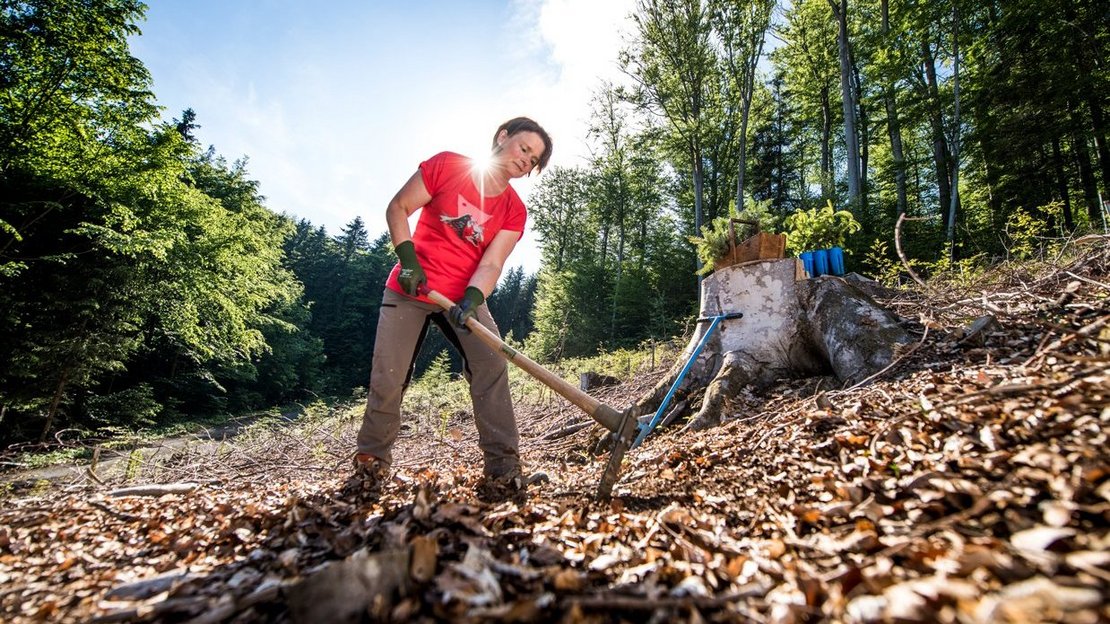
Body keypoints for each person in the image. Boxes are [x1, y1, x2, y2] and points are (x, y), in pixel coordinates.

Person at [351, 117, 552, 500]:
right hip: (411, 287)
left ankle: (503, 471)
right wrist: (407, 260)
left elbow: (492, 264)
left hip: (462, 297)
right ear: (502, 137)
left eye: (534, 160)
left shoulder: (513, 210)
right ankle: (370, 467)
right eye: (524, 149)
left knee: (492, 364)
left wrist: (473, 299)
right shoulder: (447, 165)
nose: (526, 161)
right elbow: (399, 207)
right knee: (389, 374)